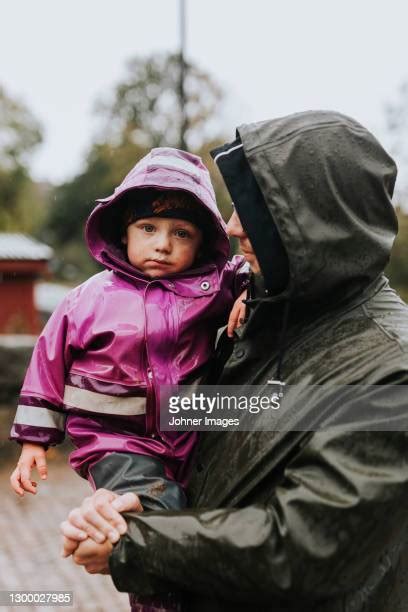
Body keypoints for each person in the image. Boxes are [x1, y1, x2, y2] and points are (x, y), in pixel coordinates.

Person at [61, 111, 408, 612]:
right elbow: (209, 420)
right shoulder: (271, 312)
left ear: (319, 221)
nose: (231, 227)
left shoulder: (389, 369)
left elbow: (303, 549)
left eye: (255, 208)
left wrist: (134, 542)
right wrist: (127, 491)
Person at [9, 148, 248, 610]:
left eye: (182, 233)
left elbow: (254, 275)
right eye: (148, 229)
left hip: (187, 436)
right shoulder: (87, 300)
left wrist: (248, 296)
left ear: (202, 244)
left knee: (189, 511)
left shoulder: (208, 287)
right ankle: (146, 583)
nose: (163, 244)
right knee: (157, 510)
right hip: (113, 443)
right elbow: (47, 364)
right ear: (124, 231)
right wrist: (34, 441)